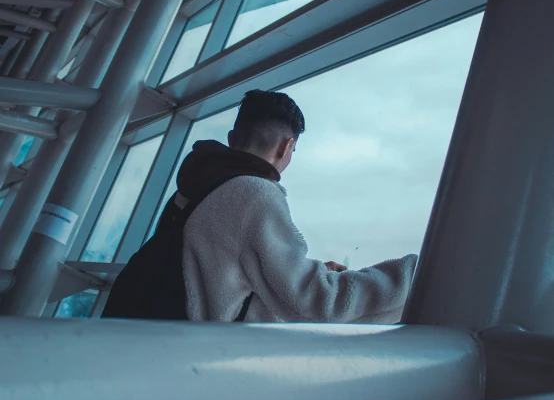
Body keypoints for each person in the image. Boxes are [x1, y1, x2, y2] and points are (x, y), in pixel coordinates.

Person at [103, 90, 416, 322]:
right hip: (189, 356)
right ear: (286, 146)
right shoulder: (253, 194)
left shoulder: (195, 186)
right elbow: (315, 303)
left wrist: (310, 269)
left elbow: (220, 269)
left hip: (146, 333)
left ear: (231, 137)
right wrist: (412, 275)